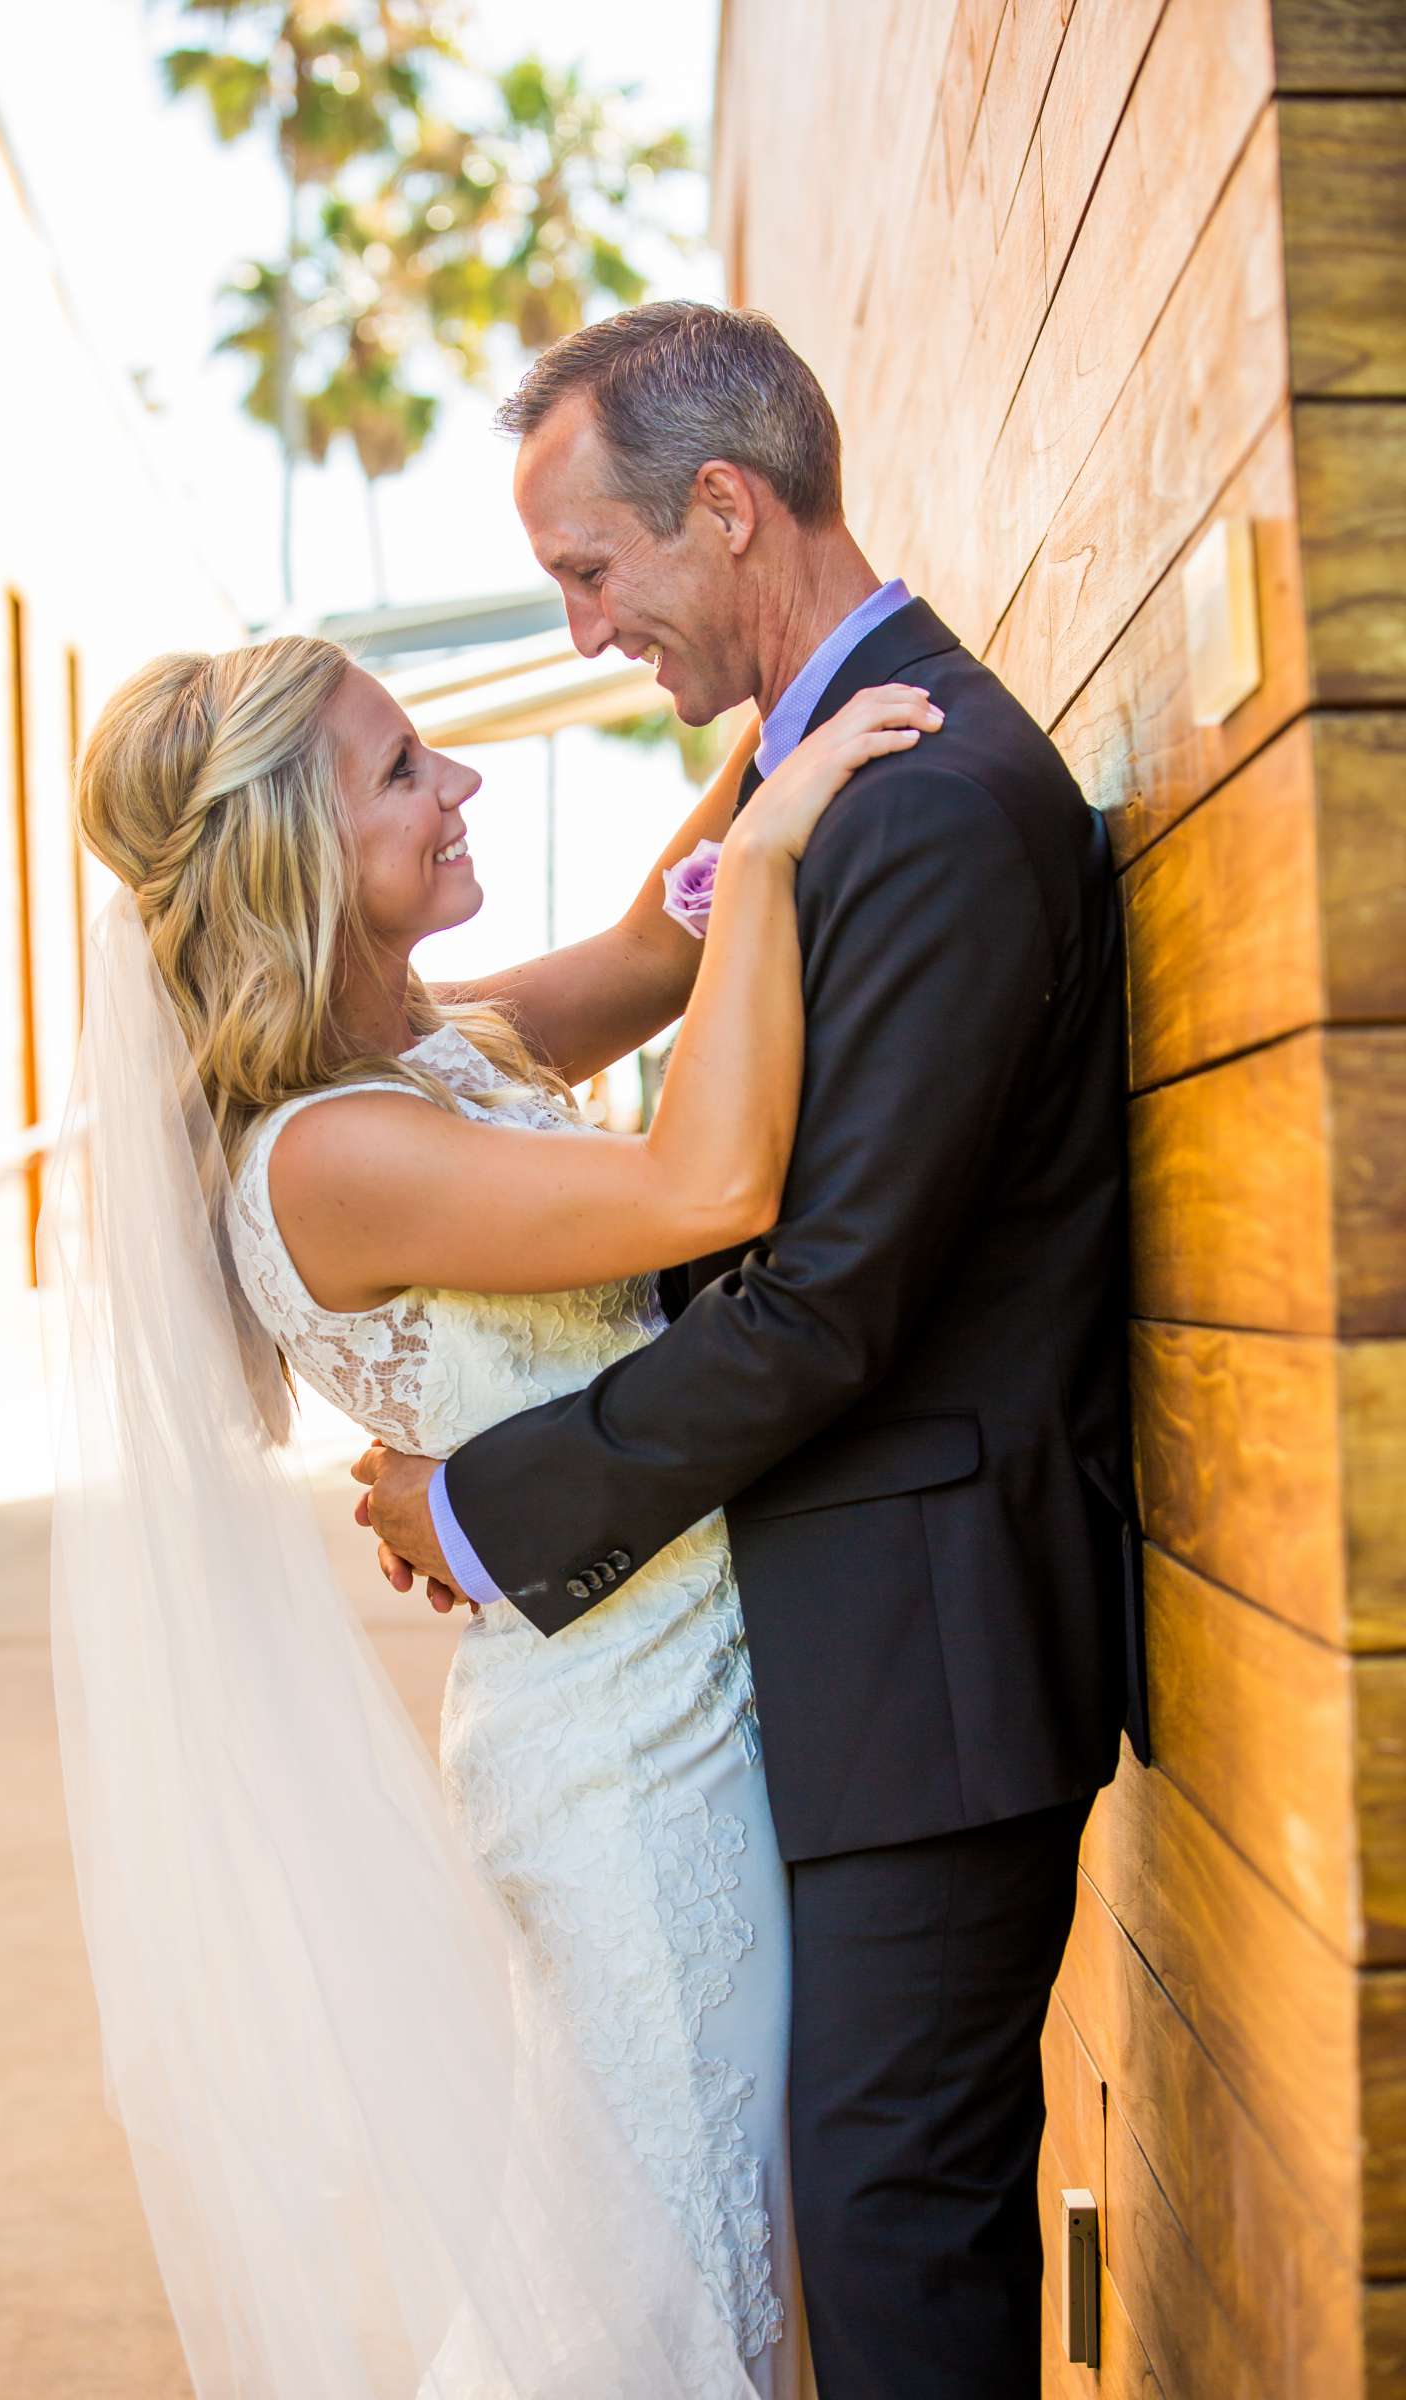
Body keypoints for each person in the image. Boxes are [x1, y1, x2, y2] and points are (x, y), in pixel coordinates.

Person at [358, 300, 1149, 2400]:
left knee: (889, 2238)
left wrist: (476, 1498)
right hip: (833, 1649)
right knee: (847, 2221)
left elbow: (831, 1299)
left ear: (721, 509)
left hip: (930, 1657)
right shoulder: (812, 771)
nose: (585, 623)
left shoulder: (928, 795)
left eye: (588, 571)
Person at [51, 618, 939, 2397]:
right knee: (678, 2297)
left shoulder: (441, 1046)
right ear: (303, 855)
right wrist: (771, 850)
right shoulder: (328, 1152)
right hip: (629, 1772)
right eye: (403, 773)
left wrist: (802, 673)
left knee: (683, 2263)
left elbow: (643, 945)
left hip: (680, 1684)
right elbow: (713, 1180)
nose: (459, 787)